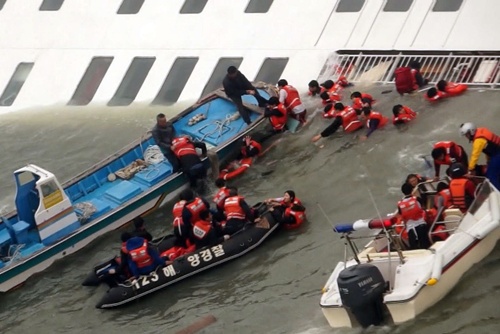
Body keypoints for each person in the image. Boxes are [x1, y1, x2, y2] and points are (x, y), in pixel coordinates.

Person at [460, 122, 500, 189]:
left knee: (491, 177)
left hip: (497, 155)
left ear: (471, 131)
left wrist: (470, 170)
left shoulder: (478, 141)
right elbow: (489, 148)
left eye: (467, 134)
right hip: (495, 154)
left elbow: (474, 156)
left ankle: (497, 192)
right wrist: (488, 161)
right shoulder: (481, 131)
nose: (466, 137)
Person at [397, 183, 431, 250]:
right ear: (412, 190)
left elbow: (402, 217)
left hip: (410, 230)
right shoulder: (417, 199)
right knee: (426, 245)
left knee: (414, 248)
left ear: (403, 192)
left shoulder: (400, 204)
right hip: (422, 226)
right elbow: (424, 209)